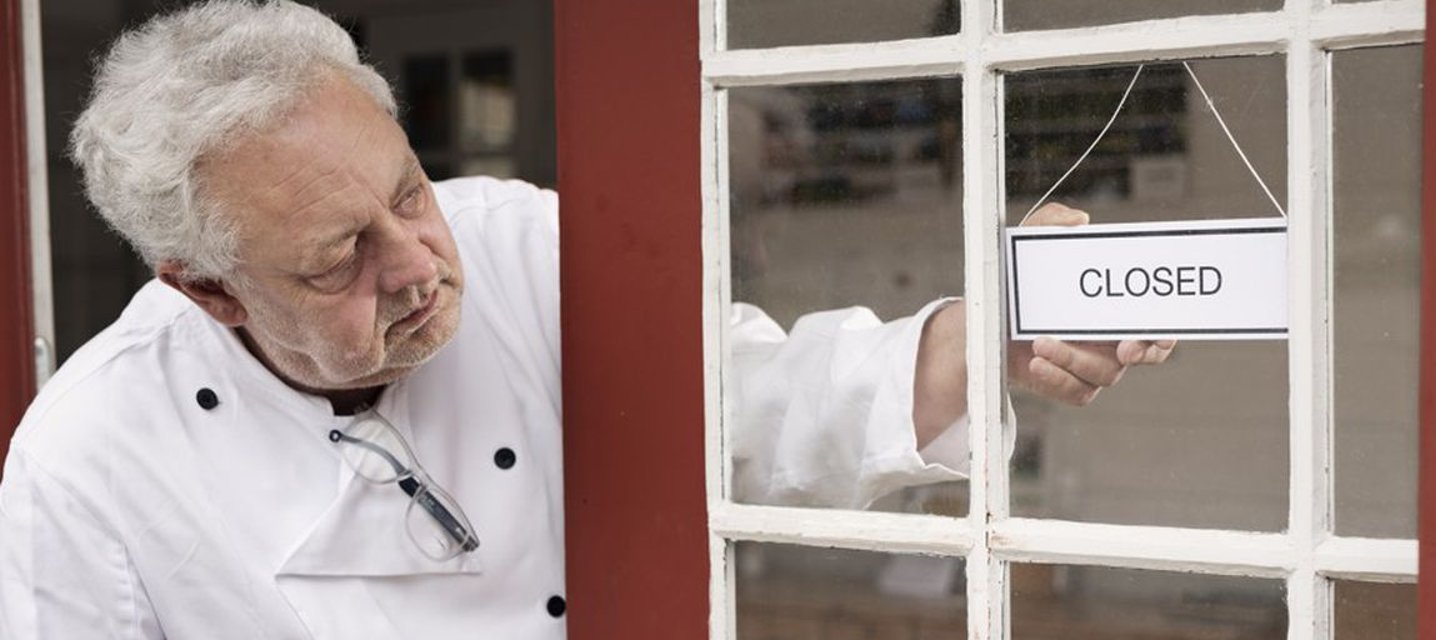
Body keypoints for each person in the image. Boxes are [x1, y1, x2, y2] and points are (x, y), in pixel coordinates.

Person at [0, 2, 1172, 638]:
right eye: (338, 258)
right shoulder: (87, 460)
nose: (418, 265)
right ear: (204, 289)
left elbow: (749, 400)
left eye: (407, 192)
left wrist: (978, 342)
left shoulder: (515, 240)